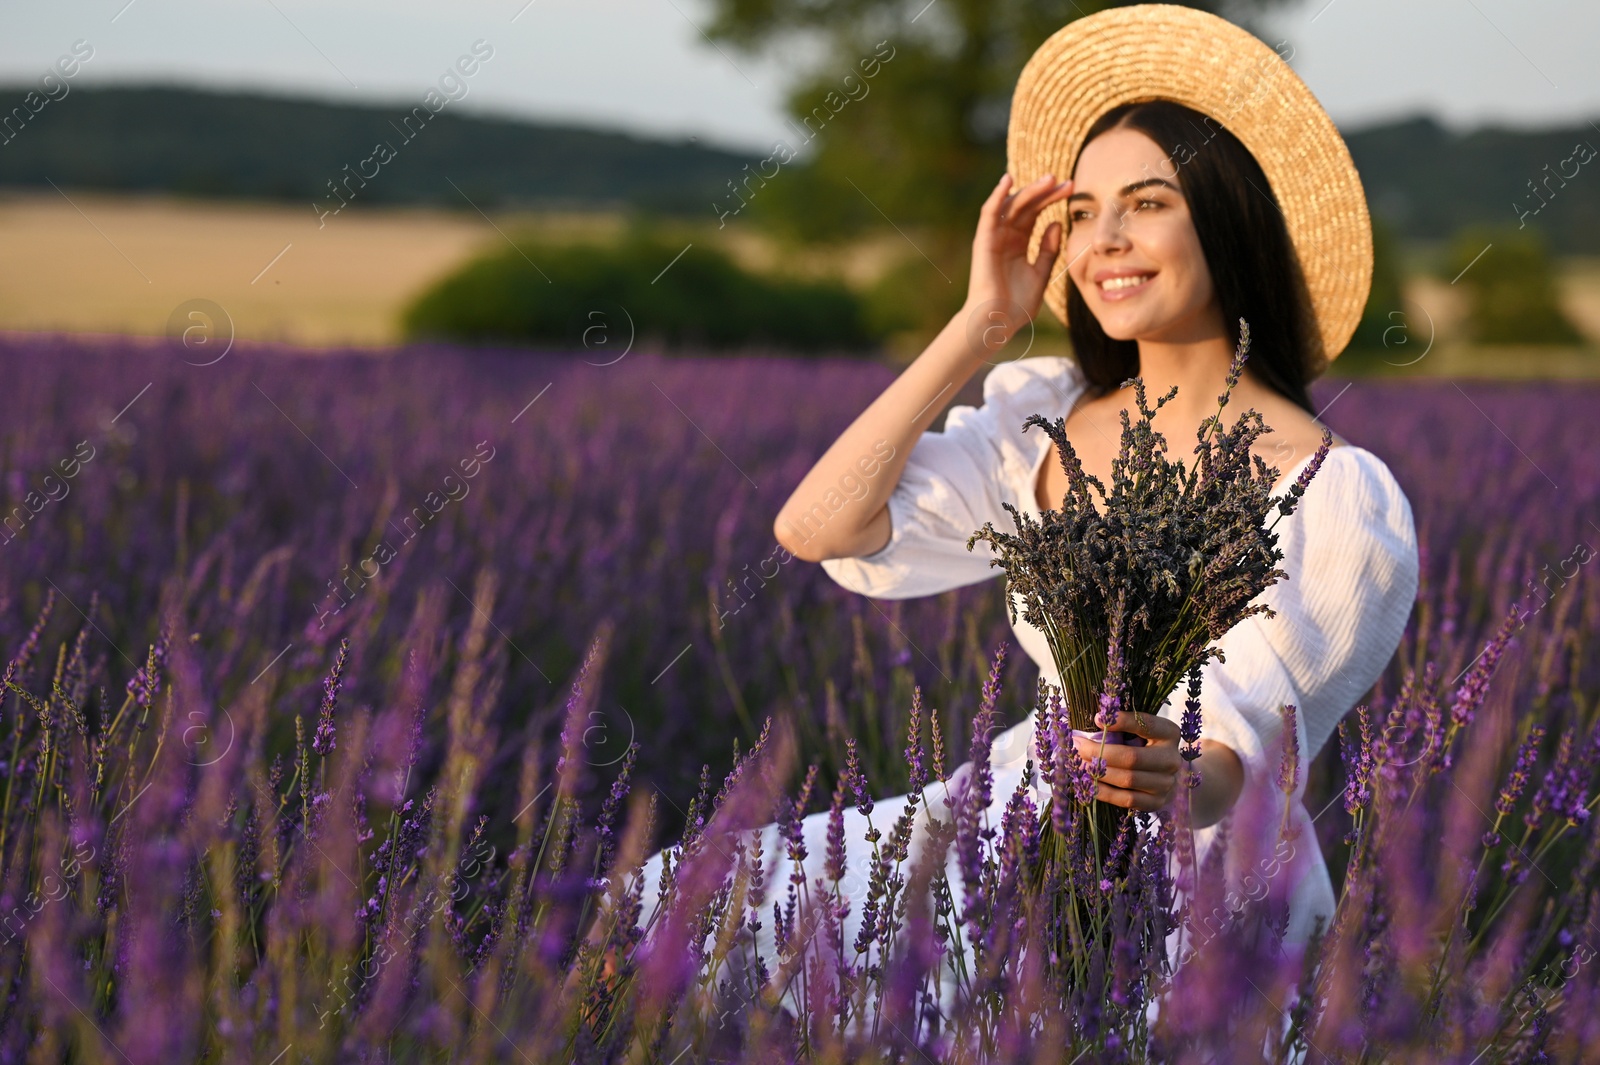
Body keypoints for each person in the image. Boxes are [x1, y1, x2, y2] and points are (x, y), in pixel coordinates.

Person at [631, 3, 1419, 1037]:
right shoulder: (1039, 423)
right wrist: (980, 326)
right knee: (671, 913)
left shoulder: (1334, 489)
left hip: (1190, 888)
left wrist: (1182, 775)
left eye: (1147, 203)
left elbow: (1250, 737)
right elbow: (818, 529)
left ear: (1229, 223)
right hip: (1007, 818)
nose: (1106, 242)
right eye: (1083, 212)